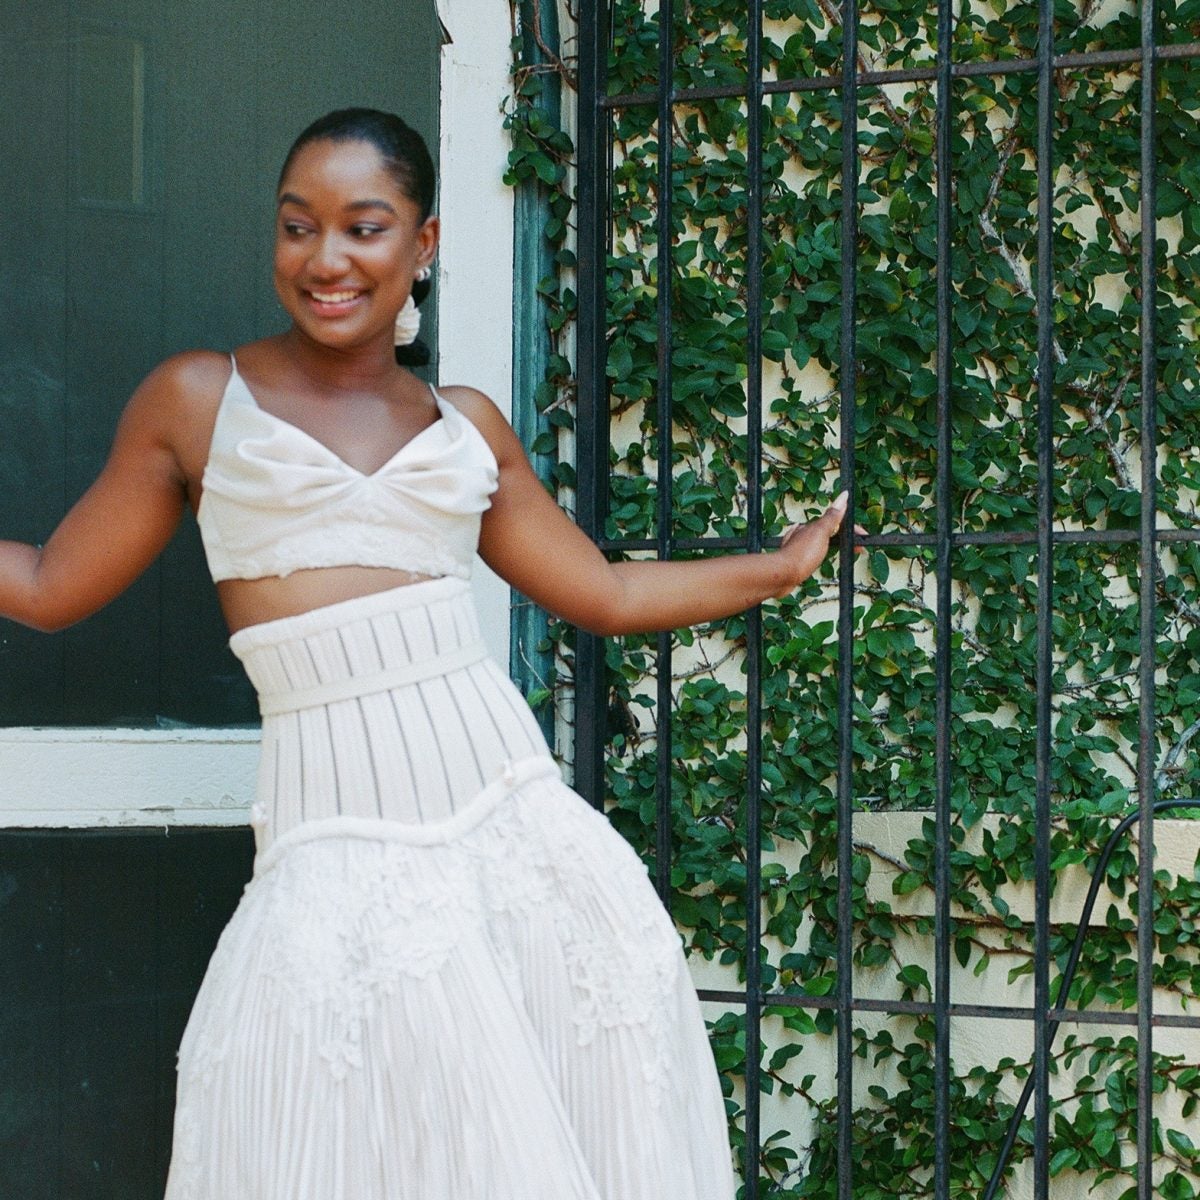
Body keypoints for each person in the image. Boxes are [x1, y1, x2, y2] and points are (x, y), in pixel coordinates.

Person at [0, 108, 852, 1200]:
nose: (326, 259)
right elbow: (48, 587)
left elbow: (603, 594)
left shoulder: (468, 427)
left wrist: (776, 570)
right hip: (331, 847)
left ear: (424, 244)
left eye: (364, 228)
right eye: (298, 227)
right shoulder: (198, 401)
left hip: (512, 833)